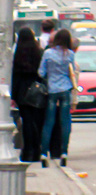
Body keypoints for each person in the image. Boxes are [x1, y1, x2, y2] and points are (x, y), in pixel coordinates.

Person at [38, 28, 77, 168]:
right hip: (65, 89)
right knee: (65, 121)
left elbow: (41, 72)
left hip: (52, 90)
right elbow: (71, 72)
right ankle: (64, 152)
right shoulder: (70, 54)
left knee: (49, 122)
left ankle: (43, 153)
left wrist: (50, 75)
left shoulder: (48, 53)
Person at [13, 28, 46, 163]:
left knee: (26, 121)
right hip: (35, 90)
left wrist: (13, 95)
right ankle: (37, 150)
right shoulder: (38, 53)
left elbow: (15, 76)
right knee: (35, 121)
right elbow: (42, 73)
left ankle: (27, 151)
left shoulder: (18, 54)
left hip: (22, 91)